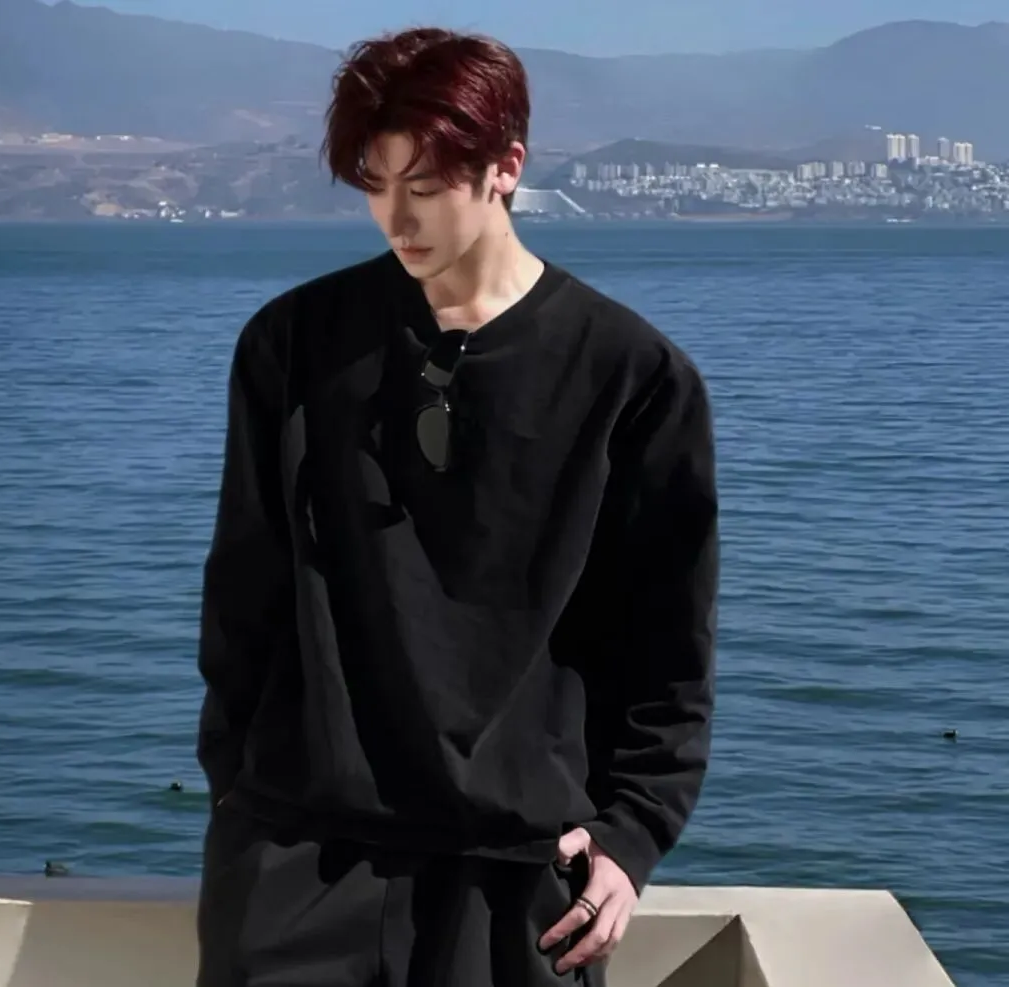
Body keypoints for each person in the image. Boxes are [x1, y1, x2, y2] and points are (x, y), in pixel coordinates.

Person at [194, 25, 719, 987]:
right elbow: (243, 594)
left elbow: (666, 641)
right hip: (296, 857)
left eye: (426, 186)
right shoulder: (293, 344)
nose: (397, 218)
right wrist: (240, 797)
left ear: (506, 167)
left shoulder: (633, 376)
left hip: (521, 875)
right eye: (375, 182)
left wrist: (634, 832)